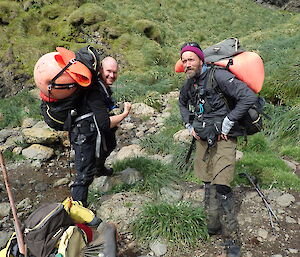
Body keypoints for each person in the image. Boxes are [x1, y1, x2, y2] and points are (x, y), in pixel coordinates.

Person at [178, 42, 257, 257]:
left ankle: (232, 240)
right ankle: (212, 226)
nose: (187, 64)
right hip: (203, 140)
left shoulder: (219, 77)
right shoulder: (189, 84)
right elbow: (182, 104)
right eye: (184, 61)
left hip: (224, 139)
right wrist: (188, 125)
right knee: (207, 183)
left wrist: (229, 121)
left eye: (191, 59)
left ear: (201, 59)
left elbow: (248, 96)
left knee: (222, 186)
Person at [70, 56, 131, 207]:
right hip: (83, 134)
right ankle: (78, 211)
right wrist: (124, 114)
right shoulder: (94, 90)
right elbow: (104, 124)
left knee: (110, 141)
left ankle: (99, 169)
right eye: (108, 71)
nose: (112, 75)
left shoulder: (101, 86)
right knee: (84, 174)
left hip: (90, 129)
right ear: (100, 70)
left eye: (115, 72)